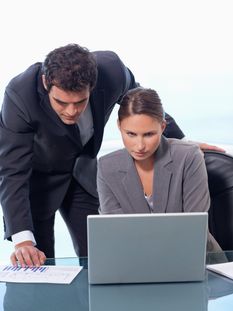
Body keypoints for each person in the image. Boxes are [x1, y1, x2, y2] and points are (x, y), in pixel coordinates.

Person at [0, 44, 222, 267]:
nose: (71, 111)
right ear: (46, 83)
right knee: (38, 263)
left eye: (80, 102)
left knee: (104, 259)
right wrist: (22, 241)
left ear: (93, 86)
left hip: (83, 174)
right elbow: (12, 169)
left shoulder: (112, 70)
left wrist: (180, 142)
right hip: (38, 184)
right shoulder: (20, 95)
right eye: (61, 102)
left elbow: (143, 105)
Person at [97, 87, 222, 252]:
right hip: (134, 260)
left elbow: (193, 226)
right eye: (131, 134)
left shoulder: (189, 157)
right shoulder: (107, 167)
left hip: (194, 255)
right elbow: (116, 232)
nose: (140, 146)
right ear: (119, 126)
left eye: (149, 134)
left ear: (163, 127)